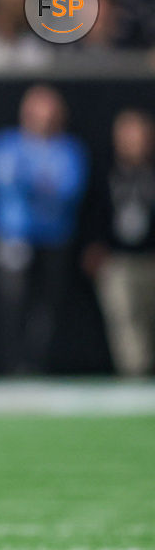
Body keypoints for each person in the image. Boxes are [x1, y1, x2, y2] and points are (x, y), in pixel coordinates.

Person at [0, 85, 88, 374]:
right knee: (12, 303)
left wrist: (30, 182)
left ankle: (39, 364)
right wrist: (40, 184)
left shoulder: (69, 148)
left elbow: (70, 189)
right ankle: (12, 365)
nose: (44, 117)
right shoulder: (8, 143)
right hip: (14, 237)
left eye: (50, 110)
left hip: (54, 238)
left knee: (47, 306)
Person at [82, 109, 155, 376]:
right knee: (125, 320)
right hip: (119, 260)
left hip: (150, 257)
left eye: (140, 135)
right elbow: (91, 212)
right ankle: (136, 375)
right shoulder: (105, 171)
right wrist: (94, 246)